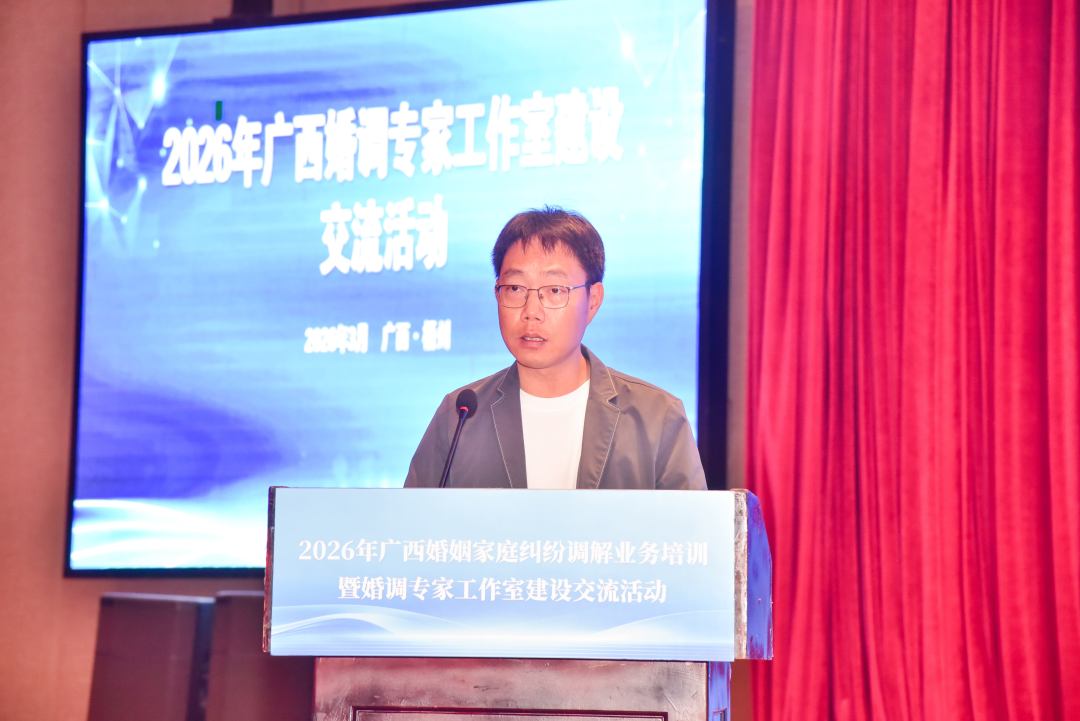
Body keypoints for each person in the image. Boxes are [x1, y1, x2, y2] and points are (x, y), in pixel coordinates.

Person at [404, 207, 706, 490]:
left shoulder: (657, 417)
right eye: (515, 289)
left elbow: (691, 529)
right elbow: (413, 524)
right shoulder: (460, 416)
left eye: (554, 291)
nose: (531, 312)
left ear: (592, 301)